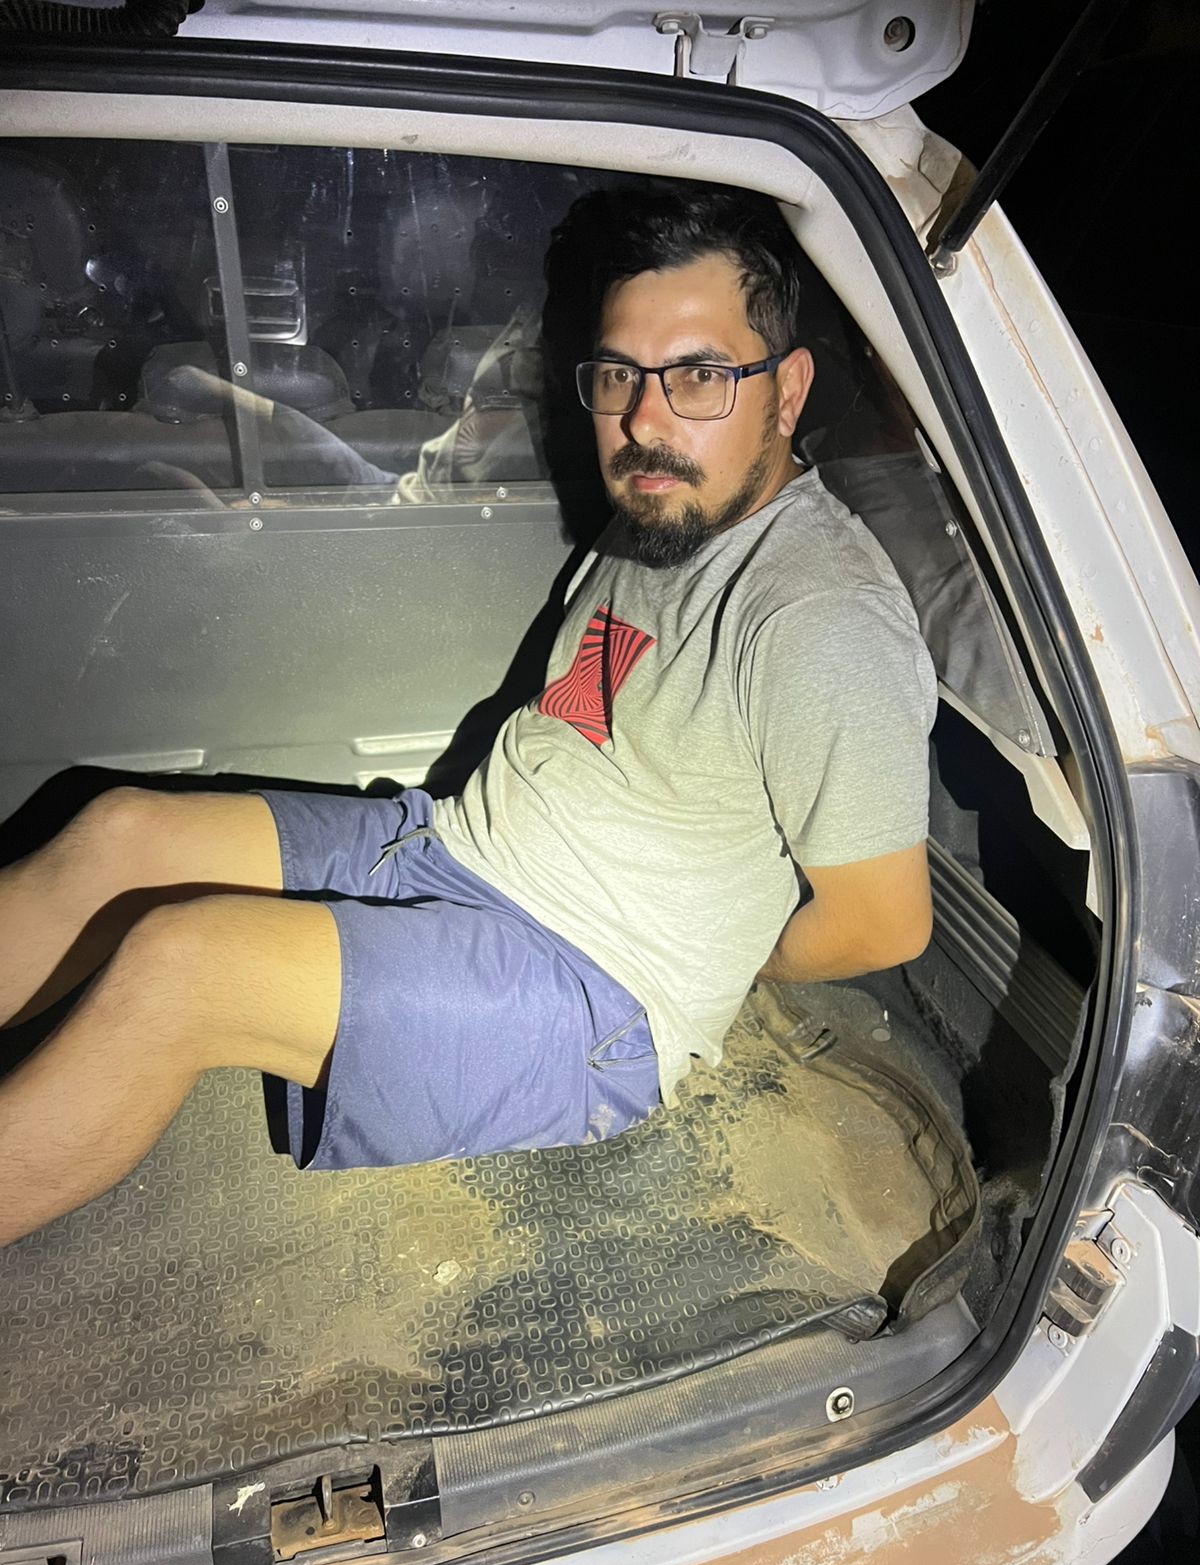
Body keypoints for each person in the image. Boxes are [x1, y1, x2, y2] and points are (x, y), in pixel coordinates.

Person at [0, 184, 937, 1248]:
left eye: (700, 376)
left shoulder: (820, 617)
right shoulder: (669, 508)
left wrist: (725, 963)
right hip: (458, 843)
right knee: (119, 835)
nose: (645, 421)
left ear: (788, 389)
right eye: (620, 375)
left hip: (594, 985)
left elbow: (884, 922)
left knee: (182, 967)